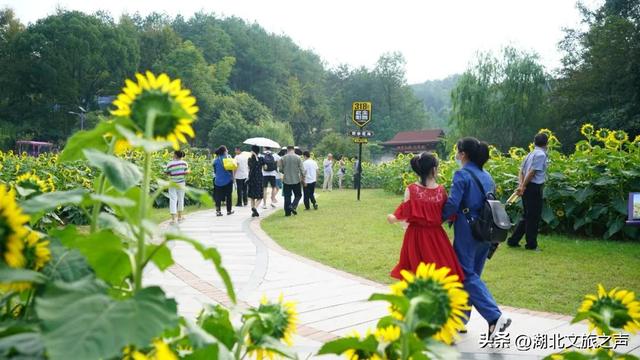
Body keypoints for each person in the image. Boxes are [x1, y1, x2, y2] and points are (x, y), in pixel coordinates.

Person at [442, 137, 511, 339]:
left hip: (467, 230)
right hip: (486, 231)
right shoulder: (487, 176)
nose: (456, 155)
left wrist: (436, 219)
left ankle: (494, 316)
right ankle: (460, 321)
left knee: (465, 274)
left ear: (463, 154)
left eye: (457, 151)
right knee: (473, 276)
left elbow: (453, 203)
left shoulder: (461, 174)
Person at [387, 152, 464, 282]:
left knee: (416, 271)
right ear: (434, 169)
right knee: (441, 269)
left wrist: (391, 217)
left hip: (415, 236)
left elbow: (403, 215)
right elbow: (449, 214)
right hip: (437, 236)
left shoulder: (411, 189)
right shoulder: (441, 190)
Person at [507, 133, 549, 250]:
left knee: (527, 215)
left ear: (534, 142)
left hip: (527, 186)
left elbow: (521, 171)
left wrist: (521, 186)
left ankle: (513, 240)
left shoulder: (530, 153)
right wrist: (523, 186)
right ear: (547, 143)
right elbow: (532, 172)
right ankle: (531, 244)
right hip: (534, 187)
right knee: (533, 217)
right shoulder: (541, 154)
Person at [278, 145, 305, 216]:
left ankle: (287, 213)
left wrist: (285, 171)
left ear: (287, 150)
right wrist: (303, 178)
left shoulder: (283, 158)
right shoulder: (298, 158)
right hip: (296, 180)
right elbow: (302, 170)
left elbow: (280, 169)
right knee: (298, 195)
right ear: (294, 150)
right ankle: (292, 206)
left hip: (286, 180)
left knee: (287, 196)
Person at [165, 150, 189, 224]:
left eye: (173, 154)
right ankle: (179, 217)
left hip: (172, 184)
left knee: (173, 200)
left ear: (175, 155)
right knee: (181, 199)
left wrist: (171, 173)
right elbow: (186, 172)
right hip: (181, 183)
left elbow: (166, 173)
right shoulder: (184, 163)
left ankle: (173, 219)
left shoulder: (170, 164)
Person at [212, 145, 234, 217]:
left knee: (218, 197)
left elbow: (215, 171)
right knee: (228, 196)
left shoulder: (215, 160)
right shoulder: (228, 159)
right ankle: (229, 210)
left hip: (218, 181)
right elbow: (231, 170)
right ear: (224, 151)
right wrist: (232, 178)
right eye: (227, 150)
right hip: (227, 180)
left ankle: (218, 211)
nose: (227, 151)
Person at [247, 145, 265, 217]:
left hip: (251, 179)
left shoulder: (249, 159)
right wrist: (256, 157)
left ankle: (253, 211)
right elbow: (264, 167)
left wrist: (254, 156)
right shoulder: (261, 159)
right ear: (258, 151)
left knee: (252, 196)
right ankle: (254, 208)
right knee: (260, 196)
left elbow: (250, 167)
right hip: (259, 179)